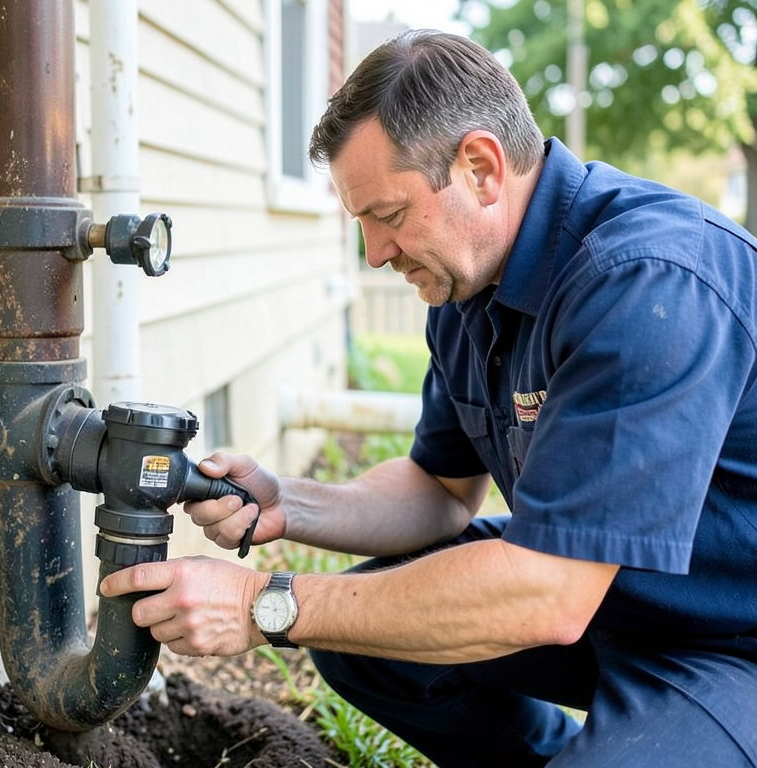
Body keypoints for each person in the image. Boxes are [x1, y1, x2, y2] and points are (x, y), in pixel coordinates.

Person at [100, 29, 757, 767]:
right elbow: (441, 489)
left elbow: (548, 591)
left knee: (322, 613)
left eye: (386, 215)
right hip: (613, 607)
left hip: (729, 643)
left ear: (480, 166)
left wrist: (264, 605)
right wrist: (288, 502)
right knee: (360, 639)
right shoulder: (466, 286)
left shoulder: (649, 283)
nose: (376, 253)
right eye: (362, 225)